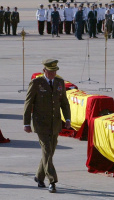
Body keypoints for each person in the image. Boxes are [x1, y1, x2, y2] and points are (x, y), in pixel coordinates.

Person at [23, 59, 71, 193]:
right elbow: (28, 103)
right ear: (44, 70)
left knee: (49, 152)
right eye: (50, 71)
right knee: (47, 150)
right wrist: (26, 123)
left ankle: (39, 176)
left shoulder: (60, 82)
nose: (53, 74)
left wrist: (67, 118)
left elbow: (64, 103)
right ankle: (52, 181)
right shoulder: (36, 83)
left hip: (55, 123)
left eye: (55, 71)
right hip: (41, 123)